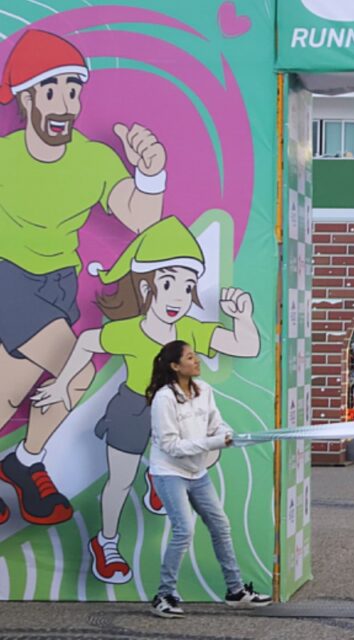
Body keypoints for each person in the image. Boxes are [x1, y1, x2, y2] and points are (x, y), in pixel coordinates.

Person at [30, 218, 259, 585]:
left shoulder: (191, 331)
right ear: (147, 285)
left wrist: (243, 318)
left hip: (177, 413)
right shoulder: (131, 331)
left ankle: (157, 473)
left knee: (205, 452)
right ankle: (106, 542)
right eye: (168, 283)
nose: (177, 297)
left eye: (187, 287)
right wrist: (61, 385)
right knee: (119, 481)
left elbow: (247, 345)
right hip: (133, 408)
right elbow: (88, 340)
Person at [0, 29, 167, 527]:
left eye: (74, 90)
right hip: (10, 278)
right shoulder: (5, 158)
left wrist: (150, 174)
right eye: (52, 90)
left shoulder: (94, 159)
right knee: (79, 367)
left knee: (8, 394)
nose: (66, 103)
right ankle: (26, 462)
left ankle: (19, 463)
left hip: (59, 284)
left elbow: (141, 219)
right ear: (27, 98)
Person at [144, 340, 270, 618]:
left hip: (197, 473)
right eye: (190, 357)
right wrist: (213, 442)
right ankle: (164, 595)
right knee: (184, 530)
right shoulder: (164, 399)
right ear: (175, 366)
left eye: (195, 356)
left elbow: (217, 424)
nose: (197, 360)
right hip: (169, 472)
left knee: (220, 525)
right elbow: (171, 446)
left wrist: (225, 434)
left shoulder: (205, 391)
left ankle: (235, 591)